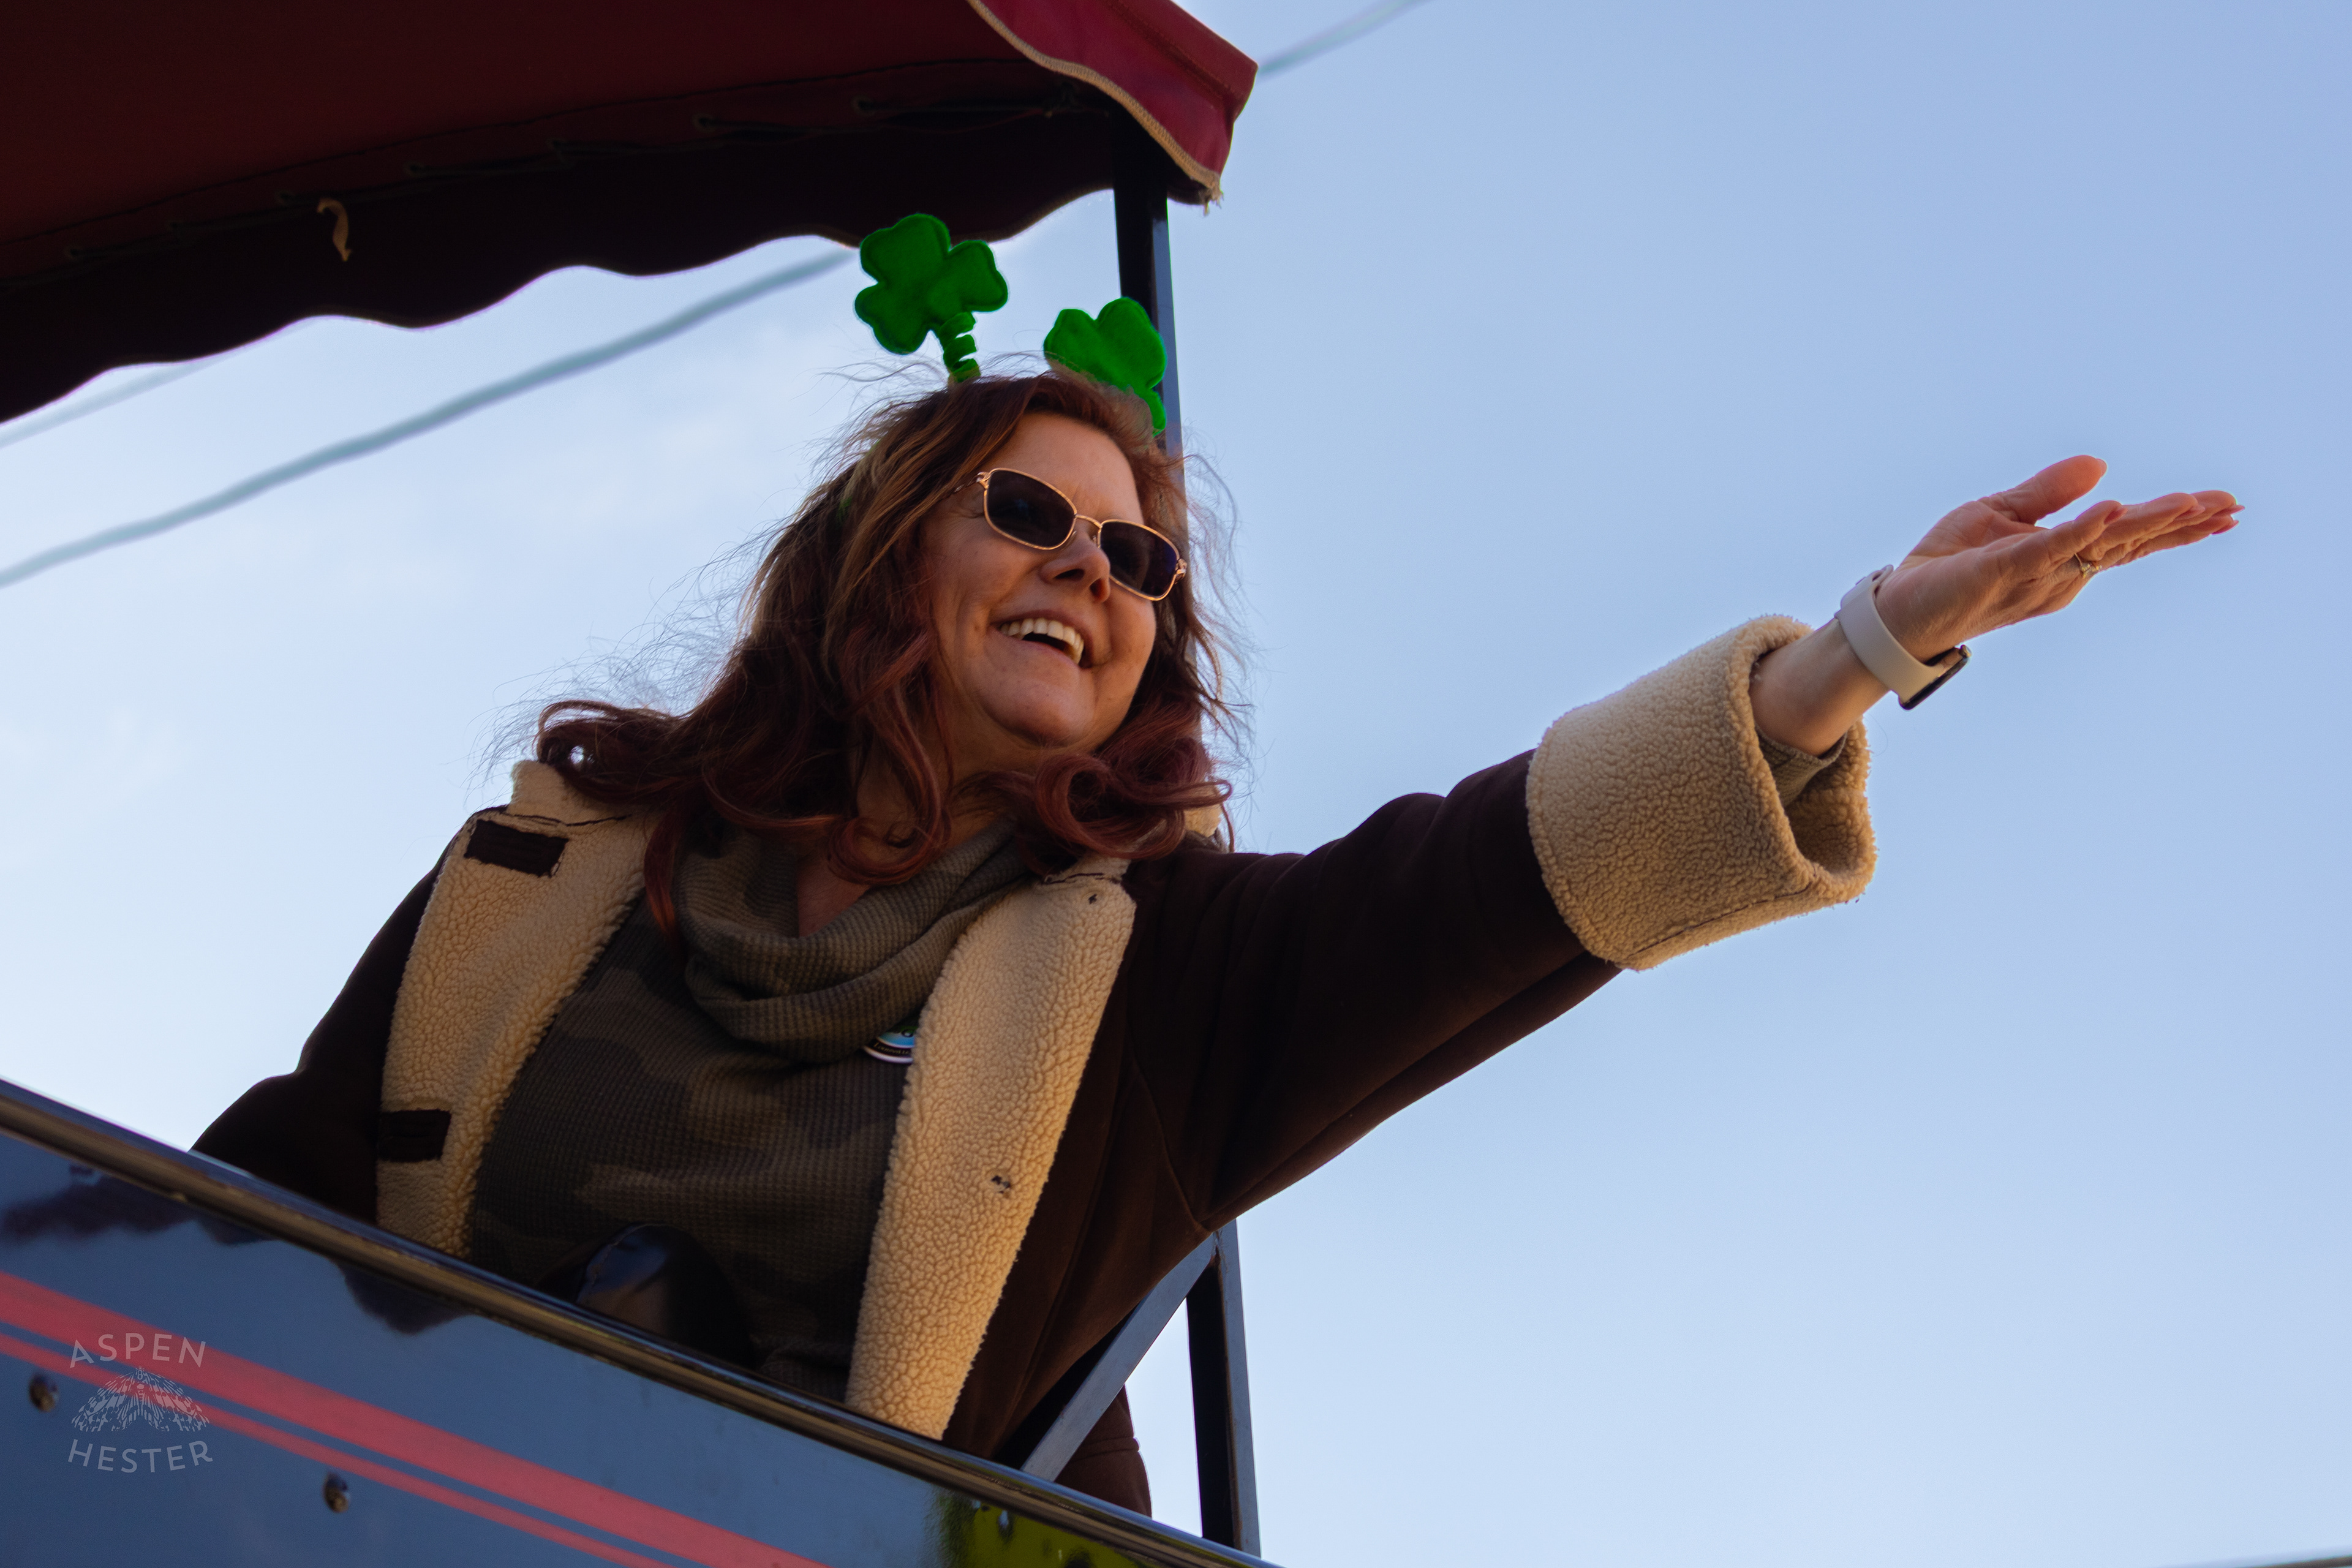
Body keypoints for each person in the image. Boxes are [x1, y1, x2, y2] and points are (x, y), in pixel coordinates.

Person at [196, 369, 2236, 1515]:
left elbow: (1491, 878)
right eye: (1031, 508)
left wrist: (1869, 644)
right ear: (881, 549)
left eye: (1143, 556)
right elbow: (224, 1237)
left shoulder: (1159, 987)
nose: (1094, 564)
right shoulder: (539, 875)